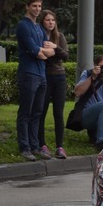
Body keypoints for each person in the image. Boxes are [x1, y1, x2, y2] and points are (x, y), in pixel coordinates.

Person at [15, 0, 56, 161]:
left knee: (37, 112)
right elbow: (36, 51)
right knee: (26, 111)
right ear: (27, 6)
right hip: (28, 73)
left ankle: (35, 146)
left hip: (41, 74)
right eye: (34, 6)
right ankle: (24, 147)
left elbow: (51, 51)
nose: (37, 9)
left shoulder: (38, 28)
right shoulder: (23, 26)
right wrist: (43, 52)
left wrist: (43, 52)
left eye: (39, 6)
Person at [37, 9, 69, 159]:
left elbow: (66, 55)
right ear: (42, 21)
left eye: (53, 20)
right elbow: (41, 55)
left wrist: (55, 48)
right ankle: (42, 144)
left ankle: (60, 146)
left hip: (59, 77)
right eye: (47, 20)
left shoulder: (59, 37)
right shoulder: (39, 35)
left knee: (58, 112)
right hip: (44, 77)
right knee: (41, 111)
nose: (50, 22)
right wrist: (48, 52)